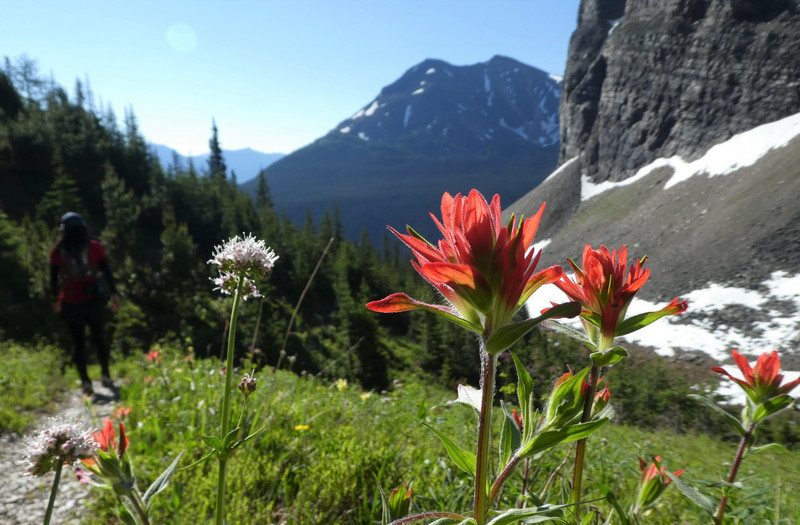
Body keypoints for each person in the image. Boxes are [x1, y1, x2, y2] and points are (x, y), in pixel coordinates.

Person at [49, 212, 120, 396]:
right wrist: (114, 294)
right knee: (99, 338)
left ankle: (86, 381)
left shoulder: (57, 251)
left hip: (70, 301)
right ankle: (105, 374)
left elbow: (53, 281)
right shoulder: (94, 247)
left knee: (77, 343)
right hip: (93, 300)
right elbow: (107, 271)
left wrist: (56, 301)